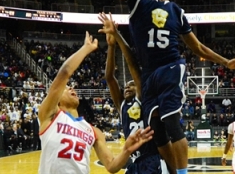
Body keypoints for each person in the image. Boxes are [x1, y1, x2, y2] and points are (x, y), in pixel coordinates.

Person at [75, 0, 235, 174]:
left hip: (170, 67)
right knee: (156, 129)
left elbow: (197, 47)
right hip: (148, 74)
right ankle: (174, 171)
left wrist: (225, 62)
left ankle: (183, 173)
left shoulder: (177, 11)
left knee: (171, 122)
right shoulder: (140, 0)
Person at [37, 32, 154, 174]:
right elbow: (64, 74)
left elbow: (111, 166)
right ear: (57, 99)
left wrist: (127, 150)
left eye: (71, 87)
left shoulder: (94, 131)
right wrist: (85, 48)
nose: (71, 88)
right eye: (67, 88)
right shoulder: (49, 116)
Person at [99, 12, 173, 174]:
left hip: (152, 157)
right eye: (126, 86)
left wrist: (117, 35)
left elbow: (133, 66)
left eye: (131, 85)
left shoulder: (143, 98)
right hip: (134, 161)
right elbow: (109, 77)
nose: (127, 86)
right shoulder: (121, 104)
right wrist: (111, 46)